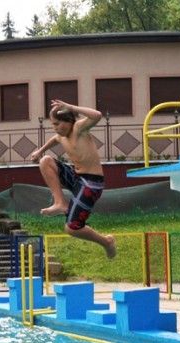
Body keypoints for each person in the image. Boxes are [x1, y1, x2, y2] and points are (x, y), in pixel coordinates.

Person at [29, 99, 117, 259]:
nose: (55, 128)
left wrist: (70, 107)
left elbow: (97, 115)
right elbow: (54, 139)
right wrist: (40, 151)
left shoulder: (79, 129)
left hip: (91, 184)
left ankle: (107, 242)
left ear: (69, 121)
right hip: (77, 177)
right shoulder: (61, 136)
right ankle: (60, 203)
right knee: (45, 161)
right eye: (53, 125)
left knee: (72, 228)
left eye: (57, 124)